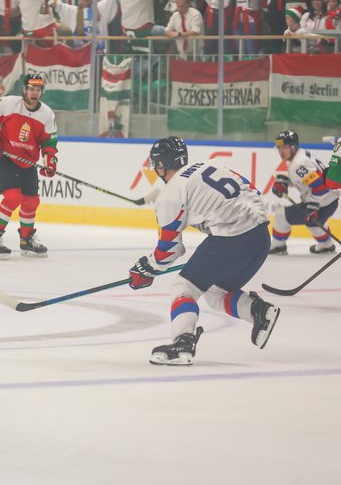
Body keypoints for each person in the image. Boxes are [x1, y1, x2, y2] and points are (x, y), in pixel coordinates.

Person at [128, 137, 280, 366]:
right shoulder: (213, 165)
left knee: (183, 288)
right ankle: (257, 311)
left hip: (232, 238)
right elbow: (252, 191)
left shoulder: (171, 192)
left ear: (161, 165)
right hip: (260, 236)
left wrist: (147, 268)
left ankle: (183, 343)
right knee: (215, 292)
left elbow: (169, 250)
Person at [0, 73, 57, 259]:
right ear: (24, 89)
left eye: (38, 90)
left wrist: (49, 162)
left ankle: (26, 240)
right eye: (31, 89)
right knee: (13, 197)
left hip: (28, 162)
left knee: (31, 201)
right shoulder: (8, 103)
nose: (34, 93)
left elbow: (49, 143)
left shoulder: (46, 114)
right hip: (6, 157)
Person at [268, 130, 339, 255]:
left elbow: (321, 186)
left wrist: (312, 205)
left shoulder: (299, 164)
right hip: (329, 201)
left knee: (281, 216)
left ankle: (278, 246)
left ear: (293, 147)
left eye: (285, 147)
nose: (281, 151)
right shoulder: (300, 156)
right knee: (314, 223)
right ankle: (326, 245)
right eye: (279, 148)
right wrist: (286, 182)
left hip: (322, 202)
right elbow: (310, 180)